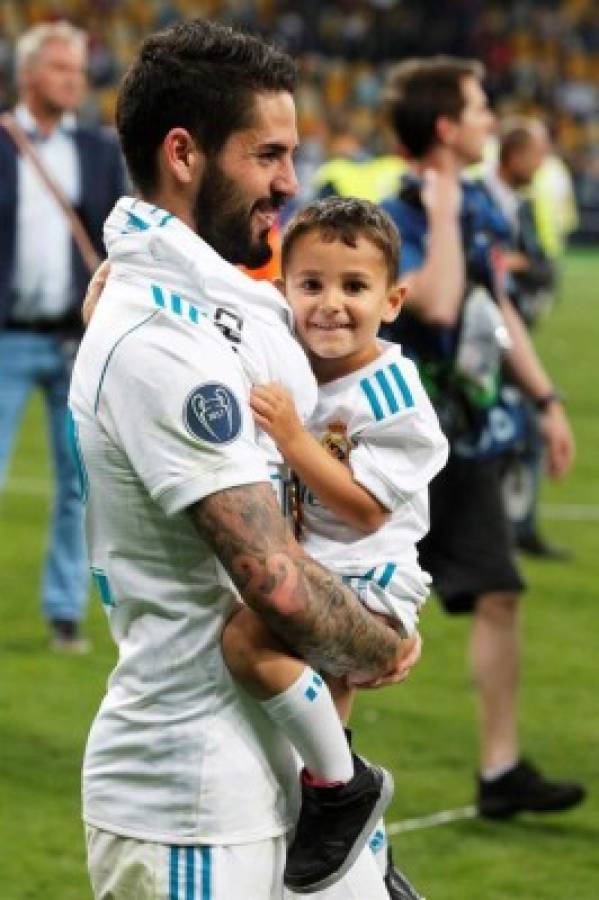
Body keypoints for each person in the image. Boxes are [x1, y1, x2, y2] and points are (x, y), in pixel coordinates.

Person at [70, 20, 417, 900]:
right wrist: (381, 641)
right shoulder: (160, 339)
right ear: (183, 154)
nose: (289, 183)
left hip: (284, 780)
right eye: (267, 154)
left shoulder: (222, 295)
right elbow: (276, 585)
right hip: (194, 799)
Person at [222, 197, 448, 897]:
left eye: (354, 287)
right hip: (319, 563)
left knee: (248, 641)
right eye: (311, 283)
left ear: (392, 300)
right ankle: (367, 860)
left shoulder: (392, 391)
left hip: (370, 573)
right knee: (311, 753)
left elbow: (365, 505)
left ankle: (348, 791)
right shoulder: (285, 354)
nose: (329, 304)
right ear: (282, 287)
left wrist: (292, 439)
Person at [380, 57, 585, 818]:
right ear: (444, 126)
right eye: (476, 106)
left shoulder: (475, 203)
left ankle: (499, 773)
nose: (488, 118)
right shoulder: (398, 211)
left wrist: (545, 399)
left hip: (465, 440)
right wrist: (435, 211)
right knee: (358, 608)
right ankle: (314, 772)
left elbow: (490, 311)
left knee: (498, 591)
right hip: (394, 445)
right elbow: (432, 303)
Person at [0, 21, 125, 651]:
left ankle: (64, 612)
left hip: (77, 340)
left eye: (78, 70)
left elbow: (116, 242)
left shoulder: (101, 151)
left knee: (80, 479)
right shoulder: (3, 140)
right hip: (7, 334)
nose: (71, 80)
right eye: (58, 68)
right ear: (26, 75)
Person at [483, 116, 569, 559]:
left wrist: (510, 262)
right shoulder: (477, 201)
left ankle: (518, 526)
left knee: (526, 431)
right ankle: (512, 529)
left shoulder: (519, 206)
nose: (541, 163)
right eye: (536, 153)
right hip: (480, 344)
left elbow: (540, 265)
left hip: (509, 335)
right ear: (514, 155)